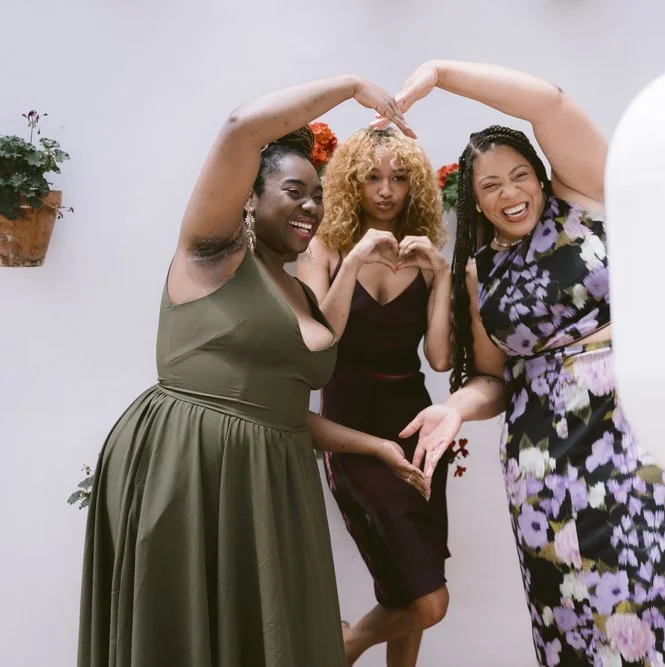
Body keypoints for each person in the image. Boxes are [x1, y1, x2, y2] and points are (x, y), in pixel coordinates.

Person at [77, 75, 430, 667]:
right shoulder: (211, 254)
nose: (311, 206)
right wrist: (350, 88)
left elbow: (282, 412)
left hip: (273, 481)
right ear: (248, 197)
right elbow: (241, 128)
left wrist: (375, 447)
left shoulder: (295, 290)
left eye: (317, 195)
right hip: (192, 471)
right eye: (294, 191)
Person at [373, 60, 665, 667]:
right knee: (569, 614)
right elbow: (492, 379)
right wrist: (452, 409)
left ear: (542, 177)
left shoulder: (585, 200)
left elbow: (548, 102)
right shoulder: (482, 272)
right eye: (490, 186)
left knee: (654, 597)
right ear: (473, 200)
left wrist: (442, 74)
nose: (509, 193)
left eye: (519, 175)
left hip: (640, 433)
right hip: (542, 458)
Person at [297, 126, 451, 667]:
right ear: (351, 183)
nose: (386, 190)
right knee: (431, 601)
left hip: (417, 432)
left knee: (408, 589)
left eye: (400, 178)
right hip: (353, 433)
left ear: (415, 188)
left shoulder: (424, 255)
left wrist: (443, 275)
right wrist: (357, 257)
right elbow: (322, 344)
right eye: (373, 177)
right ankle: (339, 648)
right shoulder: (325, 250)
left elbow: (438, 360)